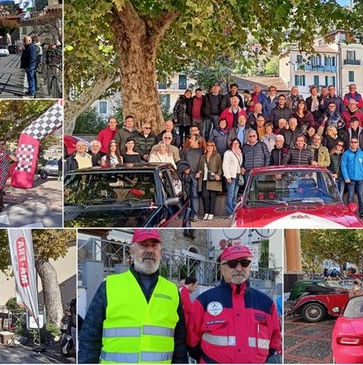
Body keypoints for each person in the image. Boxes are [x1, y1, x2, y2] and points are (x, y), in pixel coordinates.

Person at [78, 229, 187, 364]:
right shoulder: (109, 286)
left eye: (154, 245)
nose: (150, 250)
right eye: (143, 245)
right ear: (132, 251)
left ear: (161, 253)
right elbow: (90, 337)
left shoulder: (171, 291)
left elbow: (180, 342)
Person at [188, 244, 281, 364]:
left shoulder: (266, 303)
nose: (238, 268)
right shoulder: (204, 301)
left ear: (250, 266)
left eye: (244, 263)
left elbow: (274, 339)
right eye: (232, 263)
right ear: (221, 268)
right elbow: (192, 341)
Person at [0, 140, 18, 214]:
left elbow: (16, 160)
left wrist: (10, 168)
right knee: (0, 189)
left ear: (4, 145)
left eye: (3, 144)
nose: (1, 145)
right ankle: (1, 205)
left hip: (3, 173)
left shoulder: (7, 152)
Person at [341, 137, 363, 218]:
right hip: (350, 179)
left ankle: (361, 213)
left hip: (360, 179)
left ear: (358, 143)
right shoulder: (346, 154)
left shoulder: (362, 154)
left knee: (360, 195)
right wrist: (346, 177)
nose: (354, 143)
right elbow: (343, 166)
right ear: (350, 143)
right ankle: (350, 214)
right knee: (350, 196)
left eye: (355, 142)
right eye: (352, 142)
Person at [182, 135, 205, 222]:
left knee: (194, 195)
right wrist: (185, 168)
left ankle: (195, 214)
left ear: (196, 141)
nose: (190, 140)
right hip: (187, 176)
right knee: (187, 195)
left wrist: (200, 172)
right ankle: (188, 214)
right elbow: (182, 161)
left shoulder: (201, 152)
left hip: (196, 176)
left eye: (192, 139)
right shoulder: (186, 151)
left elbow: (204, 164)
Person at [197, 141, 223, 220]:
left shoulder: (217, 156)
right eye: (208, 146)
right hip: (204, 179)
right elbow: (200, 168)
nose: (209, 147)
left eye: (211, 146)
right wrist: (199, 173)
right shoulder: (203, 157)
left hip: (212, 179)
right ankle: (206, 212)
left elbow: (220, 167)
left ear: (213, 147)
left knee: (212, 197)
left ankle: (211, 213)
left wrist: (218, 174)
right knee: (205, 196)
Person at [223, 139, 243, 217]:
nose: (235, 145)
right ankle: (229, 212)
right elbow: (225, 165)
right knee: (230, 194)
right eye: (234, 143)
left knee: (235, 194)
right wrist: (228, 176)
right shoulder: (228, 153)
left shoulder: (240, 153)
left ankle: (235, 210)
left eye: (237, 143)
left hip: (238, 175)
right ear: (231, 145)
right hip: (231, 175)